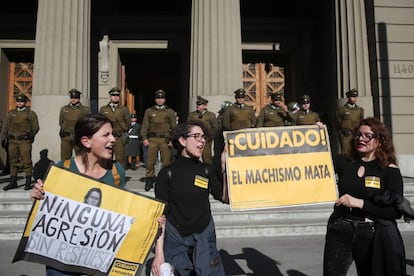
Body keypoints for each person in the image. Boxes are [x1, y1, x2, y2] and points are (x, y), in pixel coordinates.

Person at [30, 113, 127, 275]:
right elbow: (48, 215)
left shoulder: (117, 172)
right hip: (61, 261)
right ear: (86, 141)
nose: (113, 139)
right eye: (106, 135)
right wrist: (37, 198)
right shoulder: (61, 170)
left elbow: (121, 214)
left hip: (99, 260)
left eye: (113, 134)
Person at [323, 117, 407, 276]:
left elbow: (394, 212)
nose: (361, 139)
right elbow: (315, 162)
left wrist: (361, 203)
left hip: (371, 233)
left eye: (367, 136)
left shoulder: (389, 170)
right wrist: (316, 134)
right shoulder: (344, 161)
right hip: (340, 228)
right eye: (358, 135)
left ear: (380, 140)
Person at [151, 120, 226, 276]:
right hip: (177, 242)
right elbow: (160, 216)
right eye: (196, 136)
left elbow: (224, 198)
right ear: (182, 140)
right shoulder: (167, 173)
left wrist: (225, 169)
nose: (202, 141)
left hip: (205, 239)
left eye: (204, 137)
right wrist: (159, 255)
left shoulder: (206, 170)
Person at [140, 89, 176, 191]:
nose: (160, 100)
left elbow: (173, 127)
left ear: (164, 100)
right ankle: (149, 179)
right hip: (153, 139)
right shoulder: (149, 111)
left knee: (166, 162)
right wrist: (144, 138)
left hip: (165, 139)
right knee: (150, 161)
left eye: (162, 98)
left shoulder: (169, 112)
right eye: (158, 98)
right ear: (155, 100)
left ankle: (165, 180)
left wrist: (172, 140)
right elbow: (144, 126)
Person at [2, 93, 39, 191]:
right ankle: (13, 181)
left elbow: (35, 126)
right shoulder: (11, 113)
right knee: (13, 162)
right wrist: (4, 138)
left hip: (24, 141)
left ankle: (27, 182)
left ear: (25, 102)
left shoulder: (30, 113)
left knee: (26, 161)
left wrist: (30, 135)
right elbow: (6, 127)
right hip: (13, 140)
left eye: (21, 101)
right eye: (18, 101)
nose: (19, 103)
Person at [99, 87, 131, 169]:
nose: (115, 96)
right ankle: (107, 176)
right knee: (106, 157)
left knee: (120, 159)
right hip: (107, 137)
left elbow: (128, 123)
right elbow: (100, 122)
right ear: (110, 96)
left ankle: (119, 177)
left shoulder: (124, 109)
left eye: (117, 95)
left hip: (119, 137)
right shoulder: (103, 109)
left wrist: (124, 132)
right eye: (113, 95)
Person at [59, 89, 90, 160]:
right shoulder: (64, 109)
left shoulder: (85, 110)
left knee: (81, 159)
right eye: (72, 98)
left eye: (75, 98)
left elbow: (87, 123)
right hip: (66, 137)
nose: (73, 100)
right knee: (65, 159)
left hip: (78, 137)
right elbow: (61, 122)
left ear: (79, 98)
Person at [186, 96, 218, 164]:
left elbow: (215, 127)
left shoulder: (210, 115)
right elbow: (188, 126)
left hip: (206, 139)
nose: (197, 106)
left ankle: (208, 172)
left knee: (206, 158)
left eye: (199, 105)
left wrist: (210, 137)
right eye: (197, 104)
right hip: (195, 139)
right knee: (194, 157)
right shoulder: (192, 115)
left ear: (205, 106)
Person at [336, 88, 364, 155]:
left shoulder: (359, 110)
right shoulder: (342, 109)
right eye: (352, 97)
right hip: (345, 133)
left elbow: (361, 120)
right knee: (346, 151)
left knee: (356, 150)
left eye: (355, 97)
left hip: (356, 133)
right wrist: (342, 129)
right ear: (348, 97)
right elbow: (338, 121)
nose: (354, 99)